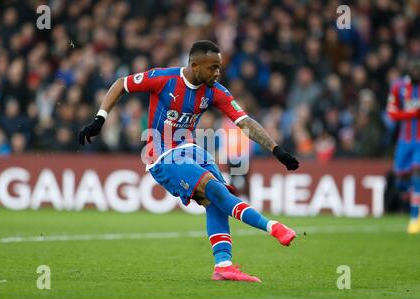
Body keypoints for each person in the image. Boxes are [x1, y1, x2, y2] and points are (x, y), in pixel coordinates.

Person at [79, 40, 299, 282]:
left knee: (215, 200)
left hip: (192, 149)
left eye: (219, 67)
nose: (217, 73)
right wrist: (99, 119)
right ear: (195, 65)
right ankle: (273, 227)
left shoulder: (215, 91)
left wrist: (277, 150)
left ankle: (223, 266)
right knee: (215, 189)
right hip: (161, 153)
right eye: (212, 67)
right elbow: (122, 83)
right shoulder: (164, 78)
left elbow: (244, 121)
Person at [386, 56, 420, 234]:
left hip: (419, 141)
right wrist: (412, 113)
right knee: (400, 180)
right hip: (404, 141)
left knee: (417, 171)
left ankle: (415, 218)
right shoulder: (398, 87)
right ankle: (411, 196)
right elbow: (391, 113)